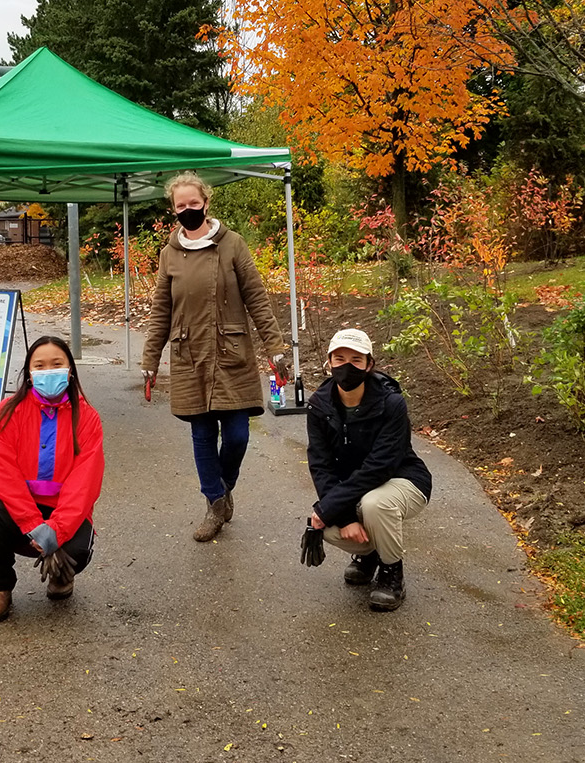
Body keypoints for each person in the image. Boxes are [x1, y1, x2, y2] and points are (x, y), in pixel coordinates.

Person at [140, 172, 288, 542]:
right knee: (202, 434)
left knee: (237, 435)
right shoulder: (169, 254)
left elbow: (256, 298)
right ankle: (215, 503)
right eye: (180, 206)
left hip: (231, 353)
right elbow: (161, 310)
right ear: (173, 210)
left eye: (193, 203)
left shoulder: (232, 244)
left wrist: (276, 348)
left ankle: (223, 489)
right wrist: (150, 360)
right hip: (190, 356)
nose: (187, 210)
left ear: (206, 203)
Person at [0, 336, 104, 623]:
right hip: (19, 513)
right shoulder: (6, 412)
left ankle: (61, 577)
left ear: (70, 370)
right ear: (29, 374)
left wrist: (57, 530)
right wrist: (33, 525)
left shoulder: (88, 418)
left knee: (77, 547)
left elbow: (85, 483)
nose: (48, 371)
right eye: (40, 365)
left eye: (57, 364)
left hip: (62, 513)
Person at [306, 329, 433, 612]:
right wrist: (342, 515)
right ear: (329, 362)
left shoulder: (392, 404)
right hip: (358, 487)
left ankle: (391, 572)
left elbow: (381, 466)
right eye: (339, 358)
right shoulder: (318, 405)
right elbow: (321, 465)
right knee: (326, 527)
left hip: (403, 479)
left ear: (369, 364)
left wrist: (331, 508)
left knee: (374, 505)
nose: (347, 366)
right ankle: (371, 554)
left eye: (356, 359)